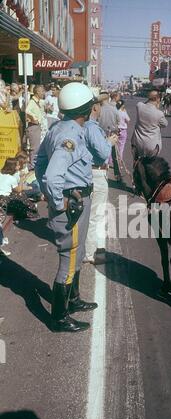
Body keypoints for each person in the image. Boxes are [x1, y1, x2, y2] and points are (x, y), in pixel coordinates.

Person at [35, 83, 98, 333]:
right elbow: (51, 176)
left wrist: (50, 194)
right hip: (71, 205)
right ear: (86, 108)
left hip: (77, 200)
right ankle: (59, 318)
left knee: (78, 253)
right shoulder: (69, 136)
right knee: (69, 259)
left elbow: (38, 163)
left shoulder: (59, 128)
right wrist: (57, 200)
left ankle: (73, 299)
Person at [84, 97, 118, 265]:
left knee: (89, 214)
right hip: (96, 173)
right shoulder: (91, 128)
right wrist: (109, 142)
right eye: (100, 105)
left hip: (90, 172)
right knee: (95, 215)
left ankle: (86, 249)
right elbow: (103, 154)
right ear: (95, 108)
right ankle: (89, 253)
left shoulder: (84, 126)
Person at [131, 90, 168, 160]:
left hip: (137, 142)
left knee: (137, 163)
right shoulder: (159, 113)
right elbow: (165, 124)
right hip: (152, 145)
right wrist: (157, 107)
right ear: (158, 99)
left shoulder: (139, 106)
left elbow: (144, 103)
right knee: (150, 164)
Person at [97, 92, 122, 183]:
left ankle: (103, 174)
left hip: (101, 135)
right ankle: (117, 175)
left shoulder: (99, 110)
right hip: (112, 134)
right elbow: (118, 121)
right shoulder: (114, 109)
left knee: (102, 155)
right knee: (114, 155)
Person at [25, 85, 45, 169]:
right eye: (42, 91)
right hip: (33, 126)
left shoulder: (38, 101)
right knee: (34, 147)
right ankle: (32, 165)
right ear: (37, 92)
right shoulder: (32, 102)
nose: (43, 93)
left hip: (37, 126)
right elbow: (27, 110)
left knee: (36, 146)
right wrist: (34, 118)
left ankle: (33, 164)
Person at [116, 99, 130, 166]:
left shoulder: (115, 111)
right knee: (121, 147)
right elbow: (128, 120)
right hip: (123, 130)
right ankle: (120, 160)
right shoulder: (124, 112)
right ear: (122, 105)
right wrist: (125, 112)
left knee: (114, 146)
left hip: (116, 130)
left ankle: (110, 162)